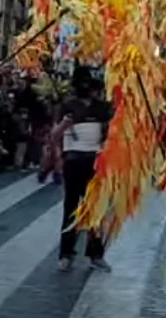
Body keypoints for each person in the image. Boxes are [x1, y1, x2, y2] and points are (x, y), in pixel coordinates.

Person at [54, 68, 110, 274]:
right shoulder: (67, 106)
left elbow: (112, 130)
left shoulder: (102, 107)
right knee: (71, 209)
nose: (88, 89)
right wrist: (64, 125)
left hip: (95, 163)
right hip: (73, 161)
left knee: (96, 209)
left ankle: (95, 254)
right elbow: (54, 136)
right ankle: (65, 254)